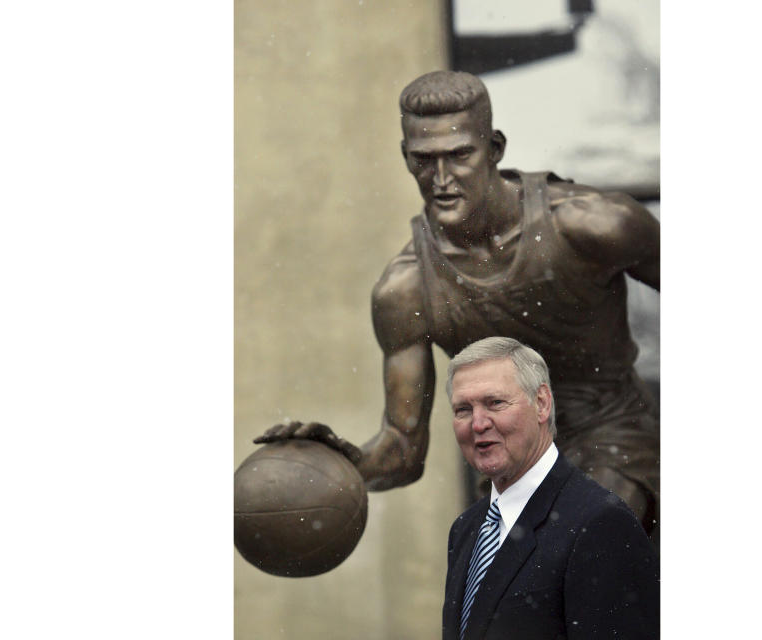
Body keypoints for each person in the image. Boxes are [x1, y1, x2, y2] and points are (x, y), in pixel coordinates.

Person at [256, 70, 660, 536]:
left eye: (460, 155)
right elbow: (404, 453)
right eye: (425, 161)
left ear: (495, 149)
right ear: (406, 158)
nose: (442, 178)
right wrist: (339, 464)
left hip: (617, 442)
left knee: (570, 549)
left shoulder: (595, 225)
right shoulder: (405, 290)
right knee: (489, 597)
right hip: (511, 474)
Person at [442, 337, 658, 640]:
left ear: (542, 403)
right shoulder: (465, 529)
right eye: (463, 409)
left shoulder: (600, 523)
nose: (477, 423)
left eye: (495, 403)